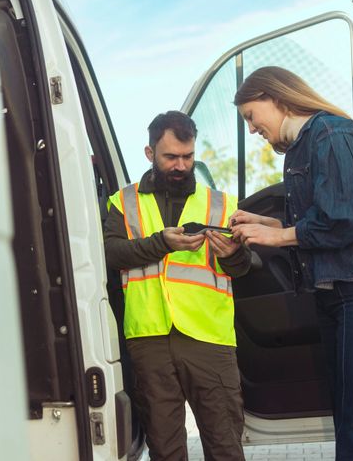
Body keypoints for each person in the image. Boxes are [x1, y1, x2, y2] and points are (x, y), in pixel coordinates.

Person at [231, 66, 353, 460]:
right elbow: (325, 217)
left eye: (251, 116)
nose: (252, 129)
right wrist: (266, 222)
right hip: (338, 291)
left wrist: (278, 236)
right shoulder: (304, 147)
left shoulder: (331, 134)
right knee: (351, 415)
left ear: (275, 97)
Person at [104, 111, 251, 461]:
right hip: (149, 337)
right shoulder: (122, 202)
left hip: (209, 338)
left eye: (188, 156)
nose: (181, 165)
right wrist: (163, 244)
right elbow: (110, 254)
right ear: (149, 152)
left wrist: (231, 254)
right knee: (165, 449)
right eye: (171, 156)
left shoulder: (222, 204)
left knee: (225, 445)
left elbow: (242, 267)